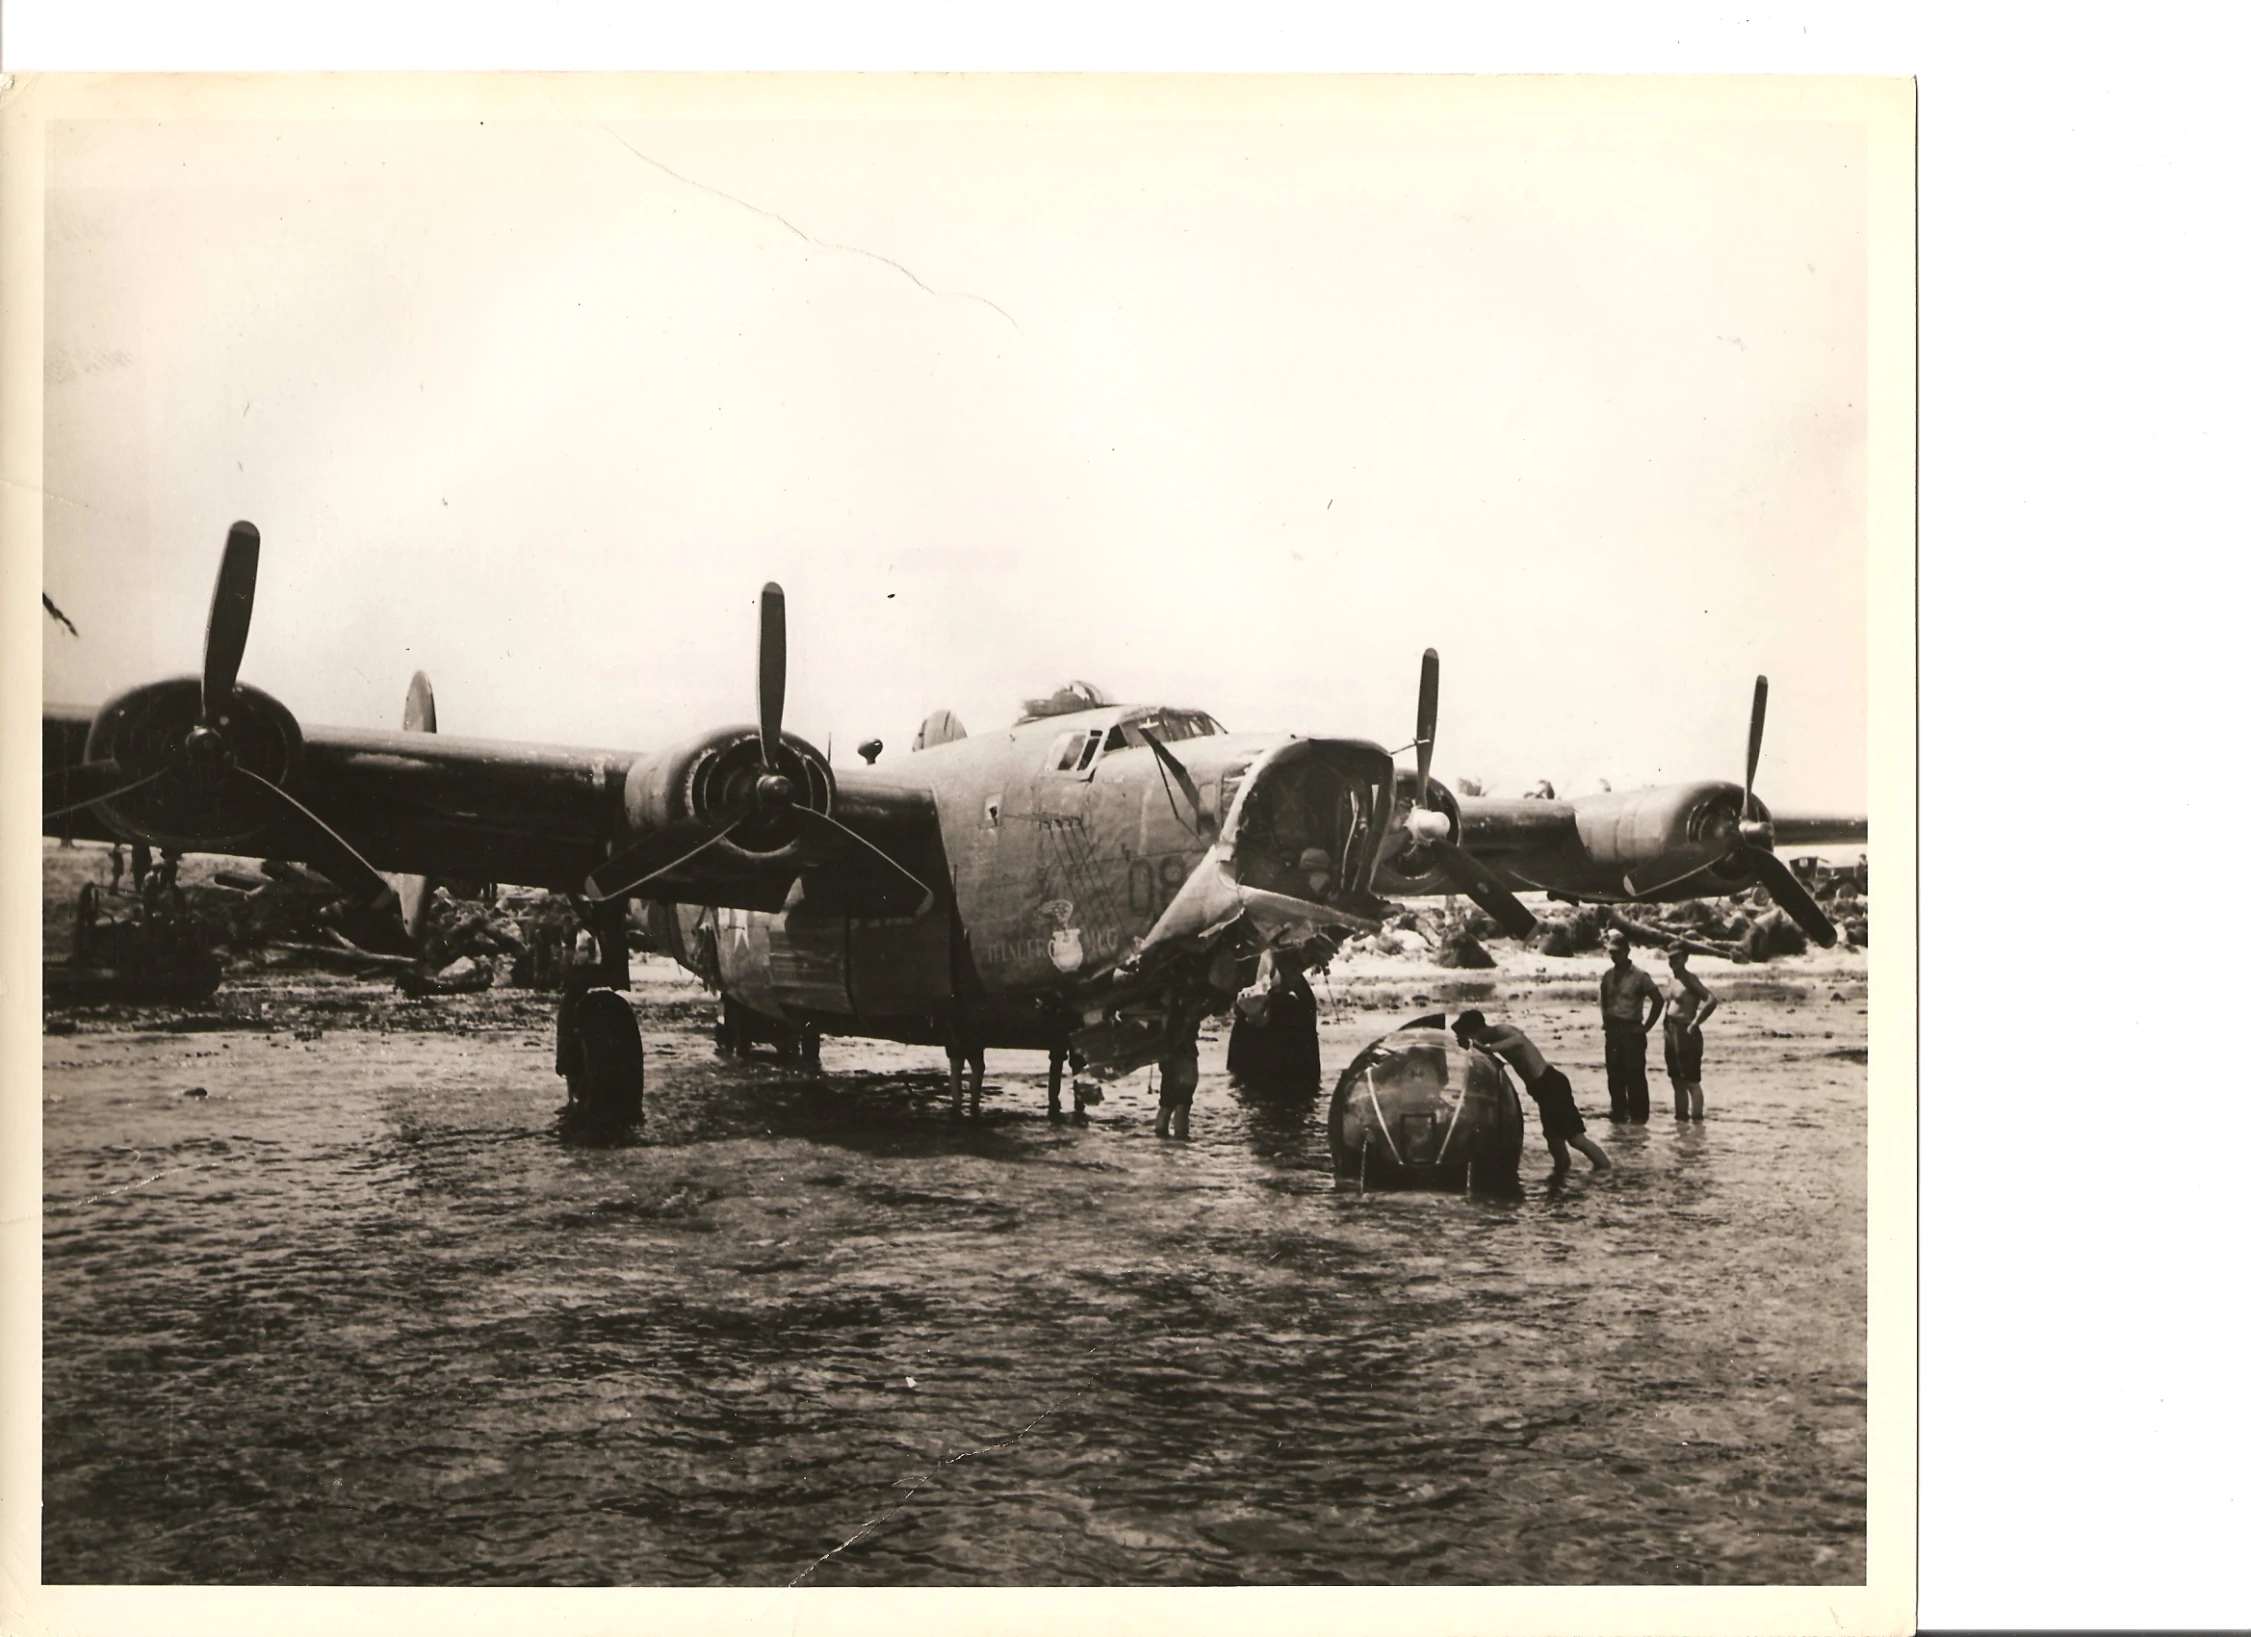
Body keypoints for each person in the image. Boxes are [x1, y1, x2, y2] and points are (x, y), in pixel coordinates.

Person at [1453, 1009, 1610, 1179]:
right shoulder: (1494, 1040)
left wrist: (1488, 1048)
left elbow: (1519, 1040)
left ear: (1476, 1030)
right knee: (1554, 1141)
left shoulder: (1502, 1031)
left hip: (1551, 1084)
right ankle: (1561, 1174)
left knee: (1575, 1138)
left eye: (1470, 1036)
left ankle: (1606, 1170)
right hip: (1541, 1089)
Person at [1596, 927, 1663, 1122]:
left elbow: (1658, 1000)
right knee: (1614, 1076)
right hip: (1613, 1031)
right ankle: (1618, 1114)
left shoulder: (1640, 976)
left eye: (1618, 952)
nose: (1614, 956)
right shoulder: (1607, 975)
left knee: (1634, 1077)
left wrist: (1646, 1027)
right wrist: (1606, 1020)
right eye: (1611, 953)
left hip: (1632, 1030)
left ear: (1627, 951)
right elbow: (1604, 1000)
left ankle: (1639, 1119)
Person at [1663, 945, 1720, 1121]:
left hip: (1686, 1030)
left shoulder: (1690, 979)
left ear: (1685, 959)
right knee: (1676, 1079)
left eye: (1677, 958)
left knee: (1691, 1081)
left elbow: (1711, 1000)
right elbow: (1669, 1005)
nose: (1673, 962)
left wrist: (1695, 1023)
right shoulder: (1672, 980)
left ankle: (1697, 1122)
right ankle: (1680, 1120)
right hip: (1670, 1031)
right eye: (1670, 958)